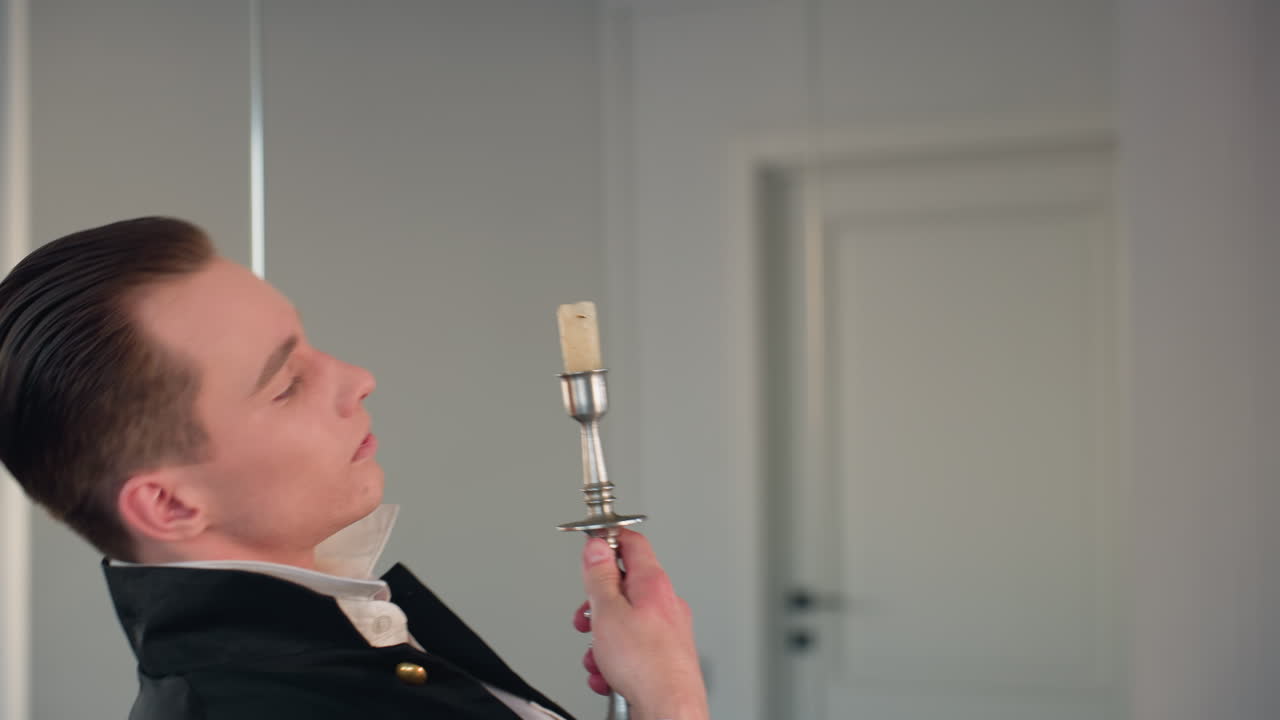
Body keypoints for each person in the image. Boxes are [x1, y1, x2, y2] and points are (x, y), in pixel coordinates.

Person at [0, 217, 709, 720]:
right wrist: (675, 699)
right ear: (172, 506)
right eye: (285, 385)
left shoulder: (332, 648)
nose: (359, 378)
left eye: (310, 345)